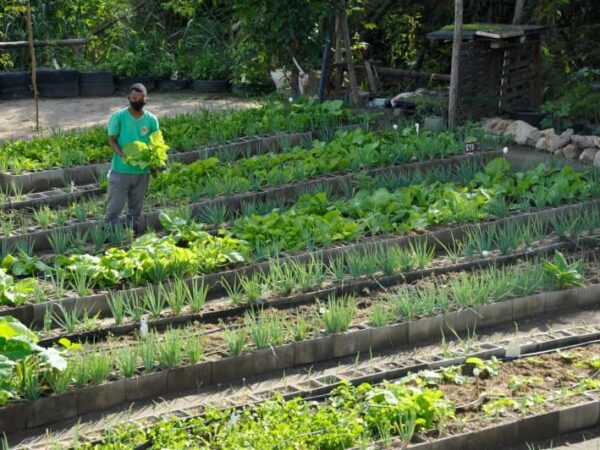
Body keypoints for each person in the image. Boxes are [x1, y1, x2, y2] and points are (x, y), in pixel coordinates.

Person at [103, 83, 159, 231]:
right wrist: (121, 154)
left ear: (146, 99)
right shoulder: (118, 117)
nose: (137, 101)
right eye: (134, 98)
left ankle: (130, 235)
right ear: (129, 98)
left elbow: (156, 143)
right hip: (121, 171)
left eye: (141, 99)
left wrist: (155, 164)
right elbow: (112, 140)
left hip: (142, 172)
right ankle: (108, 235)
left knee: (136, 210)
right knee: (114, 208)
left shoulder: (151, 120)